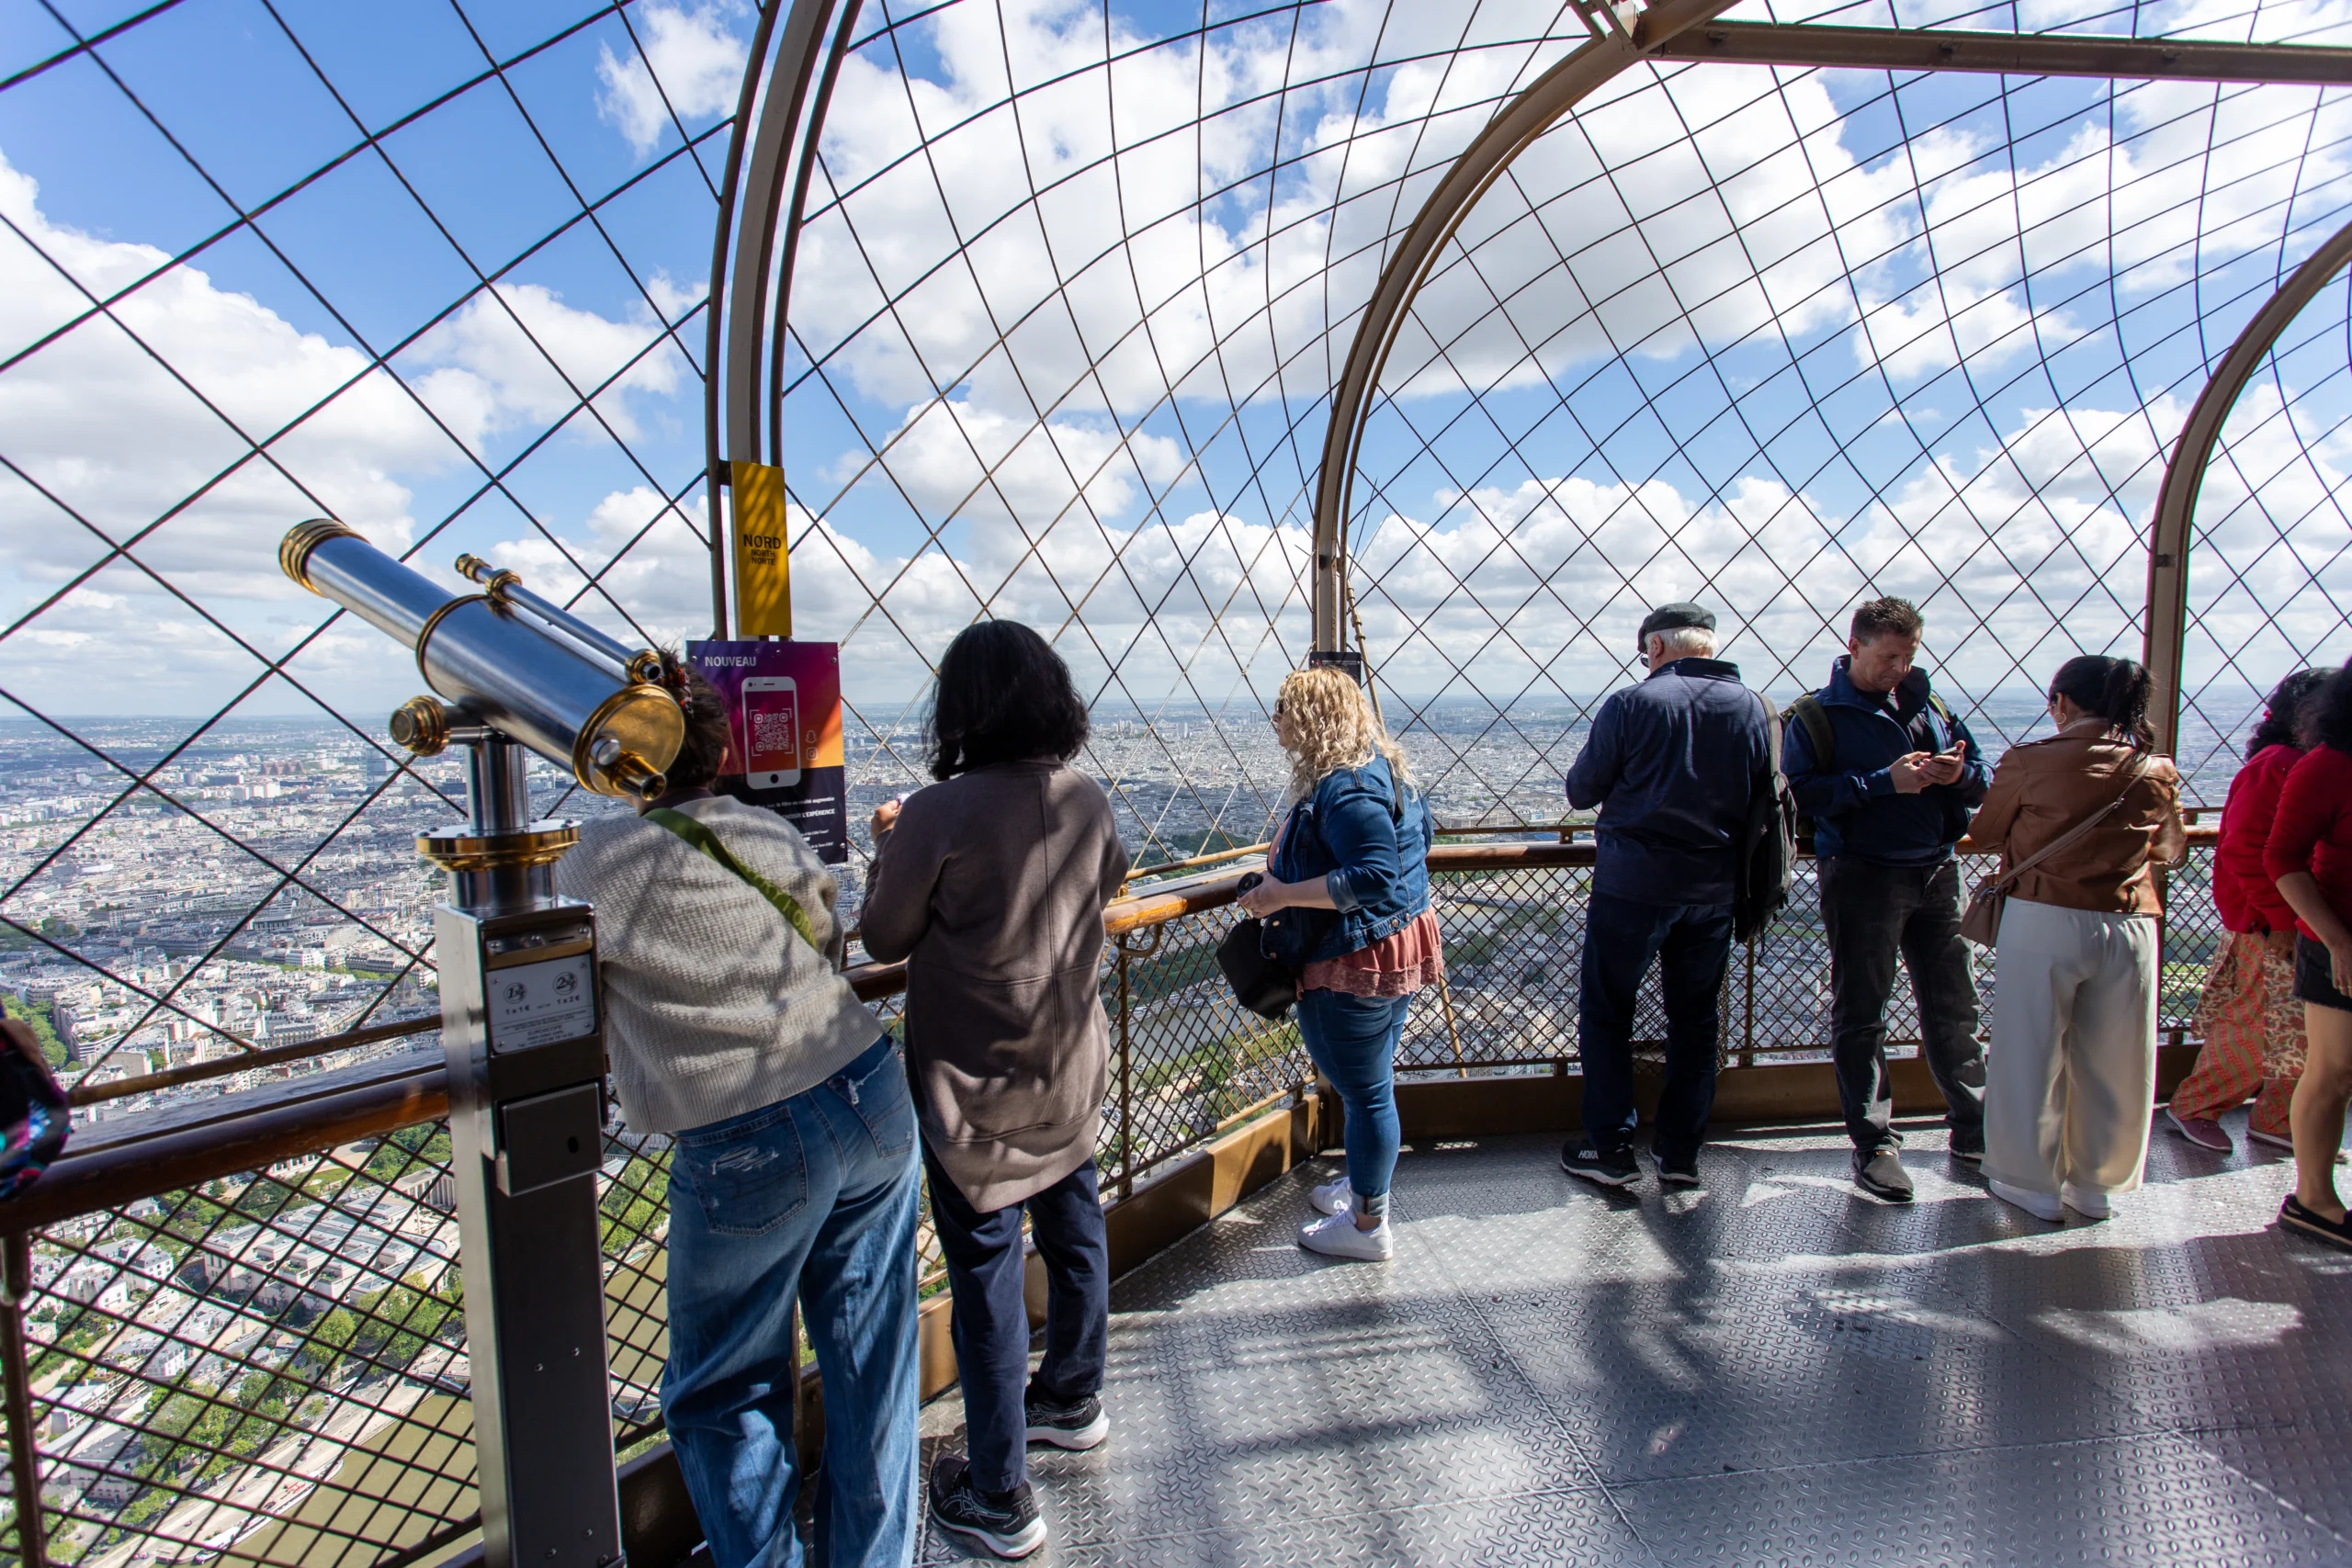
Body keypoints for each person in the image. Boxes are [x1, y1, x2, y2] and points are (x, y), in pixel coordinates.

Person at [553, 656, 920, 1568]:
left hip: (749, 1131)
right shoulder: (766, 833)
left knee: (723, 1392)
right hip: (867, 1086)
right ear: (717, 756)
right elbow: (830, 939)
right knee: (871, 1361)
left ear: (615, 758)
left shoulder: (597, 860)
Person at [859, 620, 1129, 1562]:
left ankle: (1000, 1492)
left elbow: (884, 939)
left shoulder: (940, 811)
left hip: (976, 1092)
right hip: (1070, 1070)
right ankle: (1072, 1395)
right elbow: (1108, 885)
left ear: (960, 707)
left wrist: (888, 845)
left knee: (985, 1282)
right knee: (1075, 1229)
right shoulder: (1086, 798)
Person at [1557, 604, 1770, 1190]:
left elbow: (1581, 789)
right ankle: (1679, 1153)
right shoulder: (1755, 708)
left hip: (1635, 884)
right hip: (1716, 888)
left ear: (1655, 648)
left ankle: (1611, 1147)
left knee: (1607, 1012)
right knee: (1697, 1020)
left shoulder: (1632, 704)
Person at [1782, 596, 1989, 1201]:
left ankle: (1972, 1127)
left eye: (1908, 656)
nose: (1899, 667)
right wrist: (1883, 783)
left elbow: (1981, 773)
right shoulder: (1816, 716)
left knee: (1956, 1006)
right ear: (1855, 647)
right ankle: (1874, 1143)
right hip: (1864, 874)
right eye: (1888, 655)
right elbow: (1796, 793)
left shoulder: (1933, 705)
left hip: (1934, 869)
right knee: (1864, 1010)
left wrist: (1959, 775)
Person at [1234, 663, 1442, 1262]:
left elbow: (1371, 877)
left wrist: (1280, 895)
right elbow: (1411, 848)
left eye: (1283, 710)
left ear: (1312, 717)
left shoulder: (1344, 787)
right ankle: (1362, 1186)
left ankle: (1369, 1222)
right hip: (1394, 942)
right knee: (1371, 1085)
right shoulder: (1383, 768)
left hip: (1351, 956)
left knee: (1366, 1091)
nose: (1275, 722)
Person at [1970, 655, 2186, 1223]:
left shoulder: (2031, 761)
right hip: (2130, 919)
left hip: (2044, 916)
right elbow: (2169, 849)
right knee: (2115, 1057)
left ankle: (2028, 1180)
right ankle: (2096, 1183)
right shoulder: (2153, 767)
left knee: (2029, 1049)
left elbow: (1987, 831)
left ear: (2061, 702)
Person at [2169, 669, 2330, 1153]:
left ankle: (2276, 1118)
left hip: (2298, 919)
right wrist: (2279, 920)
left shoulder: (2294, 761)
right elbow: (2245, 848)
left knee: (2297, 1026)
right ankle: (2196, 1105)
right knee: (2257, 1023)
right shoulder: (2280, 765)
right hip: (2277, 922)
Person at [2262, 659, 2352, 1250]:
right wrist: (2337, 939)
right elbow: (2282, 857)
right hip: (2339, 937)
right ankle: (2315, 1197)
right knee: (2335, 1069)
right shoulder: (2328, 767)